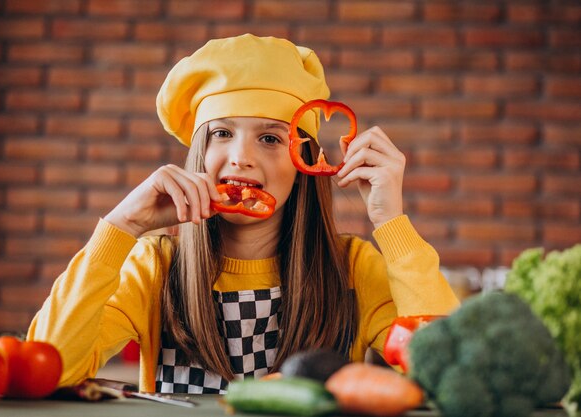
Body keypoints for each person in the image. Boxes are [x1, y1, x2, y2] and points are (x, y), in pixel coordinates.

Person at [27, 34, 459, 394]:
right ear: (199, 153)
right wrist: (119, 229)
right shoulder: (154, 267)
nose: (240, 159)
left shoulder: (354, 270)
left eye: (270, 139)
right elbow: (47, 370)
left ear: (305, 163)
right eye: (221, 134)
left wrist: (391, 223)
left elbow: (448, 372)